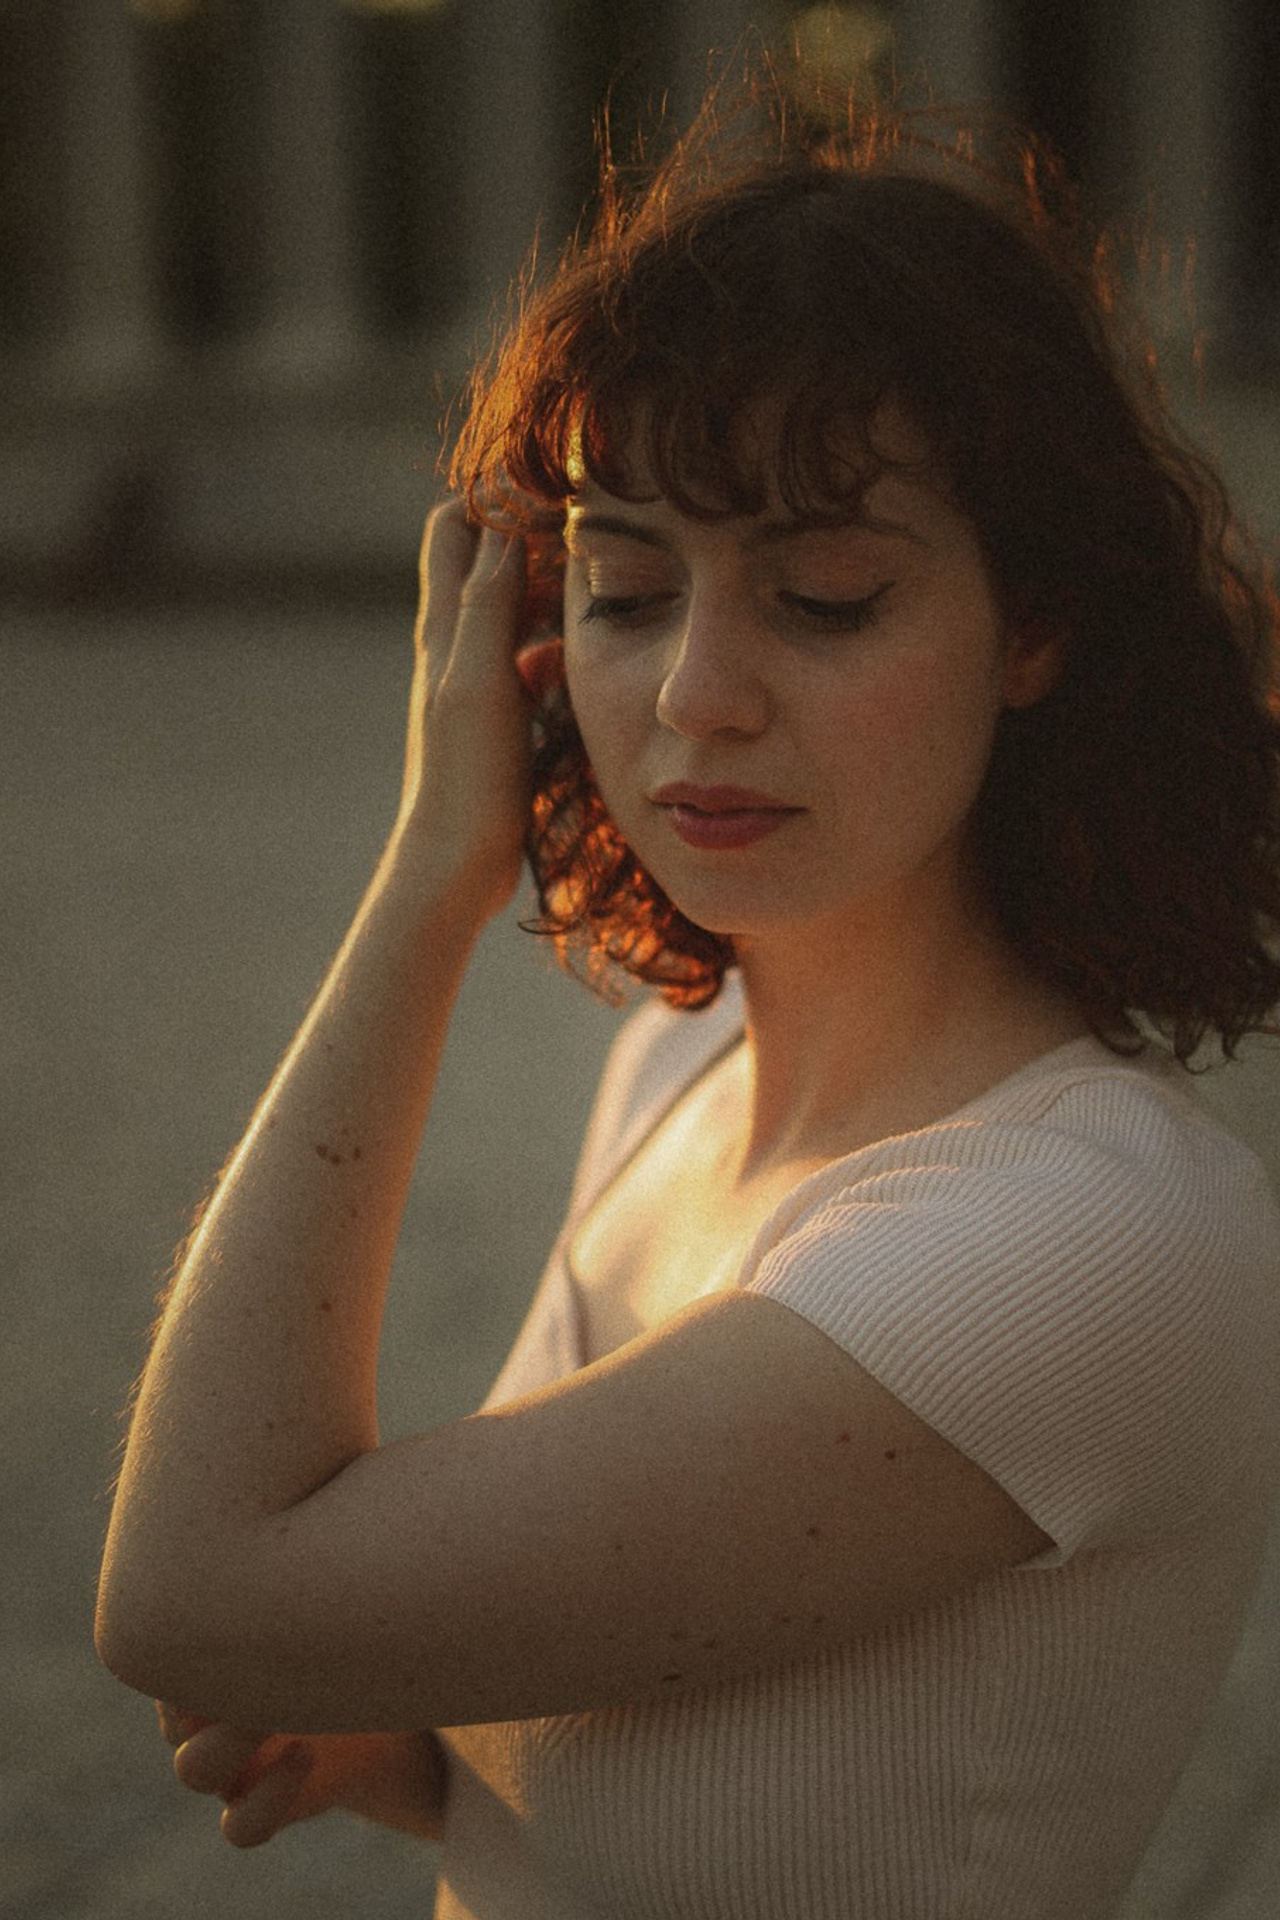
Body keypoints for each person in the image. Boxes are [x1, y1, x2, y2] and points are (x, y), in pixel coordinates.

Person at [97, 68, 1280, 1920]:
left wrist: (430, 882)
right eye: (629, 587)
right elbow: (745, 1759)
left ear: (1036, 623)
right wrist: (421, 1755)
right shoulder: (679, 1064)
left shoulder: (1083, 1240)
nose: (696, 696)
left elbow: (196, 1594)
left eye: (823, 600)